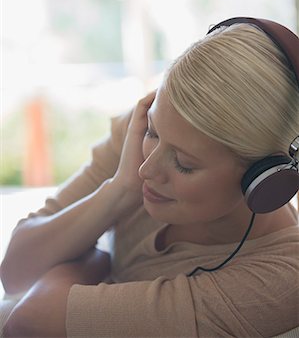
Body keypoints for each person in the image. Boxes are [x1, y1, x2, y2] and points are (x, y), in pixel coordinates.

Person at [1, 18, 299, 338]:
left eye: (184, 164)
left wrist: (94, 261)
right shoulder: (139, 133)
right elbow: (16, 272)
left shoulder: (281, 276)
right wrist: (120, 189)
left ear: (264, 180)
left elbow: (29, 322)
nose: (146, 170)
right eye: (154, 134)